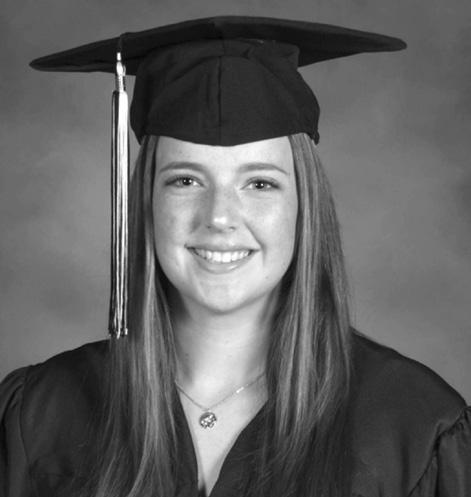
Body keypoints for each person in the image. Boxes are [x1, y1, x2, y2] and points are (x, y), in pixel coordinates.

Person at [0, 16, 469, 497]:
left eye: (260, 183)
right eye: (185, 180)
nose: (219, 216)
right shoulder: (39, 415)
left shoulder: (413, 429)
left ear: (304, 205)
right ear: (145, 201)